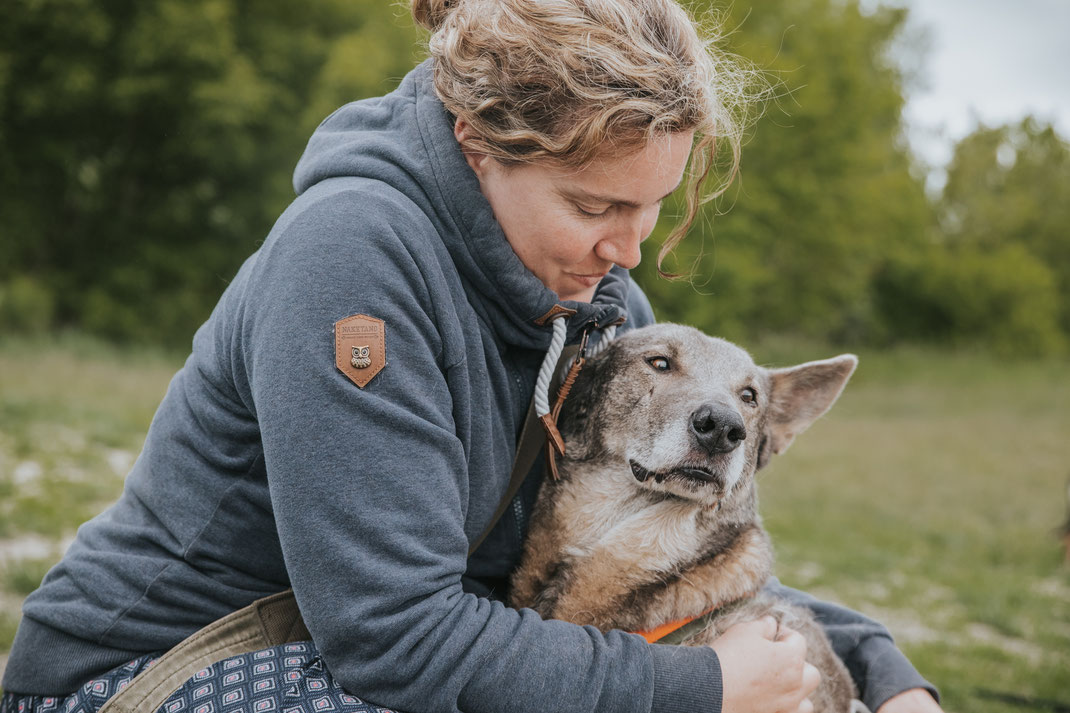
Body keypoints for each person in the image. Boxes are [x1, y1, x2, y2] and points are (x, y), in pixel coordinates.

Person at [2, 1, 943, 712]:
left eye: (650, 207)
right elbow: (398, 641)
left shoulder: (599, 303)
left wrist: (880, 670)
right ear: (478, 143)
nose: (630, 248)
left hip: (357, 657)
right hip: (153, 669)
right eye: (594, 206)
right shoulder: (351, 257)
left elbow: (685, 547)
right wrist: (696, 687)